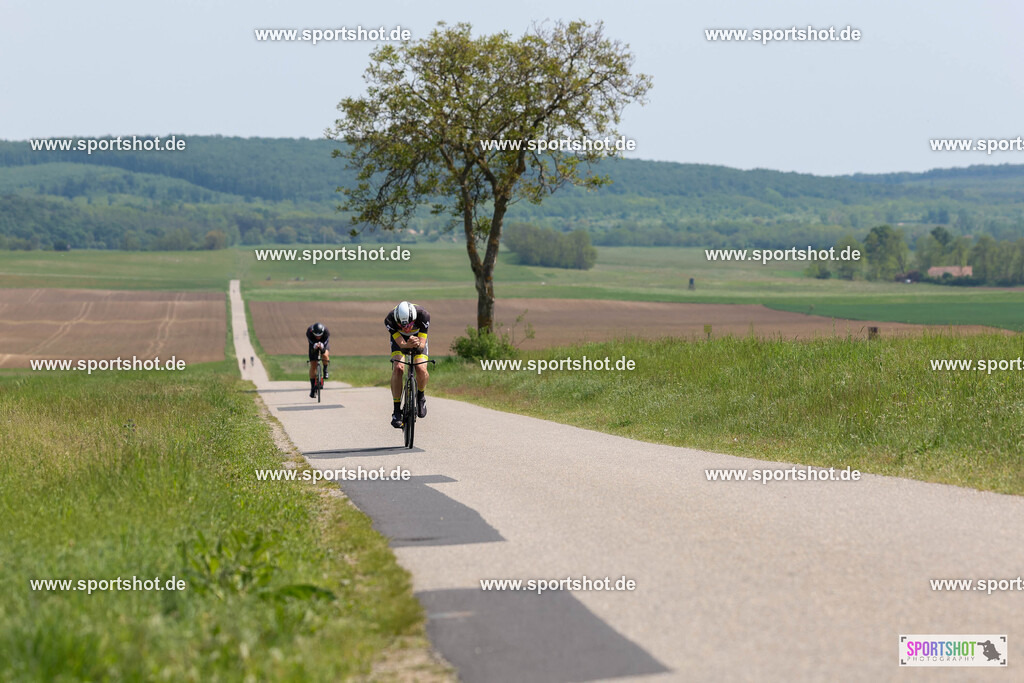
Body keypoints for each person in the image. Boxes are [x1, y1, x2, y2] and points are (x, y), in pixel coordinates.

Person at [385, 301, 430, 427]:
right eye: (402, 325)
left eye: (409, 324)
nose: (406, 328)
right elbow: (402, 346)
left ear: (414, 319)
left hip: (418, 338)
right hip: (400, 340)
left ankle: (420, 396)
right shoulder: (389, 319)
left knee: (420, 368)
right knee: (398, 367)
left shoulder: (423, 315)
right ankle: (396, 410)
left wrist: (416, 344)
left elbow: (421, 346)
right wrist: (406, 345)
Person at [306, 322, 330, 398]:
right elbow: (311, 342)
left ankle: (325, 370)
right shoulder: (309, 332)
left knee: (325, 354)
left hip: (324, 343)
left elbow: (325, 343)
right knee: (313, 365)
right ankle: (312, 389)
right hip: (313, 344)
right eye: (316, 335)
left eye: (319, 335)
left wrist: (322, 347)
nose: (318, 337)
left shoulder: (326, 332)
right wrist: (315, 346)